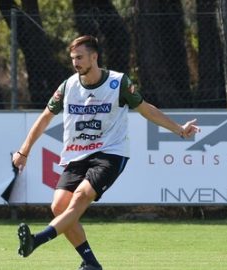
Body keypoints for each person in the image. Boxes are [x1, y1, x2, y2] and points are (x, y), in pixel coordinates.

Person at [12, 35, 200, 270]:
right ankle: (91, 264)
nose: (75, 63)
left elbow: (146, 110)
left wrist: (180, 130)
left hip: (111, 153)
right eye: (72, 58)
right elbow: (44, 118)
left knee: (79, 199)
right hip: (76, 155)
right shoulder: (68, 86)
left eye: (80, 57)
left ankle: (36, 240)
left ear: (94, 57)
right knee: (59, 207)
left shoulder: (117, 83)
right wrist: (24, 150)